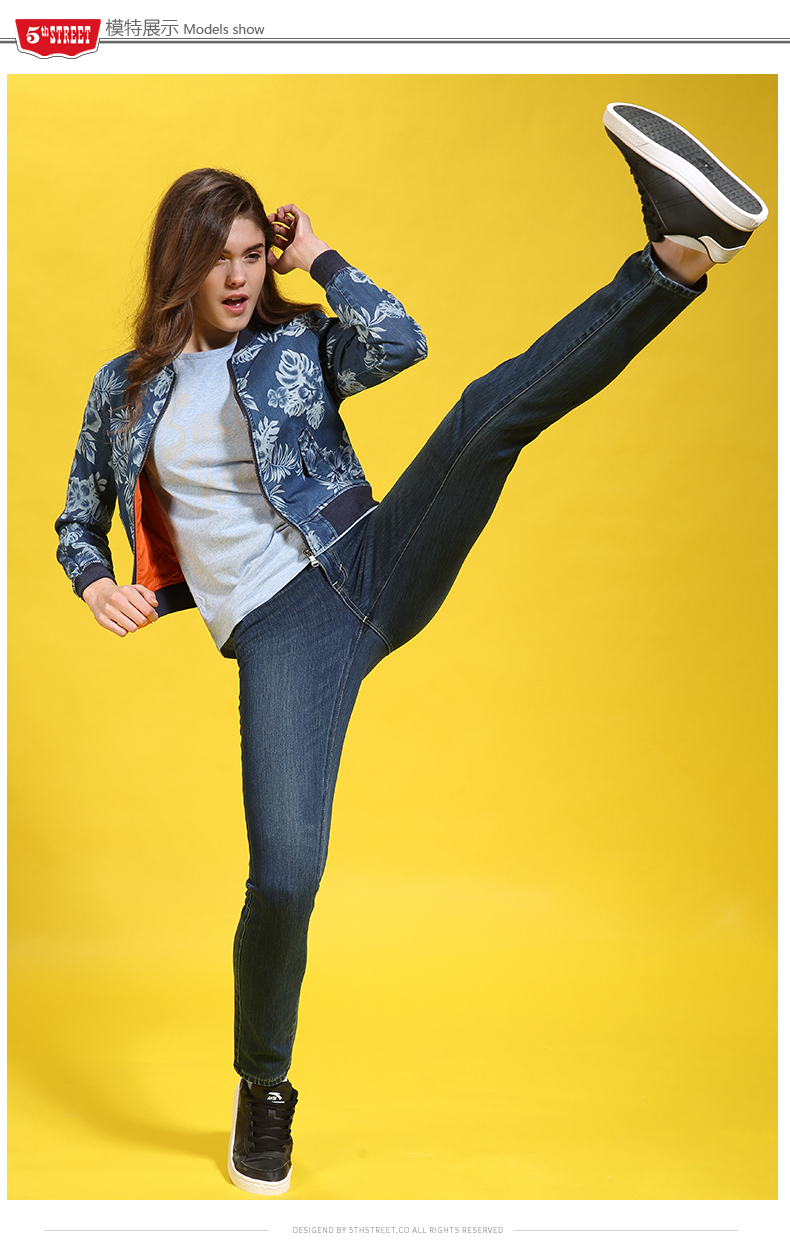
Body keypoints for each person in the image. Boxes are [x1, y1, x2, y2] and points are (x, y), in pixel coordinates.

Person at [55, 102, 768, 1196]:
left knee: (486, 415)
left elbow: (400, 340)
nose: (238, 277)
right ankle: (263, 1085)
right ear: (178, 265)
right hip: (280, 629)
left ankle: (677, 256)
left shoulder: (293, 342)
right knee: (285, 873)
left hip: (370, 555)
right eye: (218, 258)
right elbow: (78, 517)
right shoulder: (127, 389)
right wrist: (97, 578)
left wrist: (320, 257)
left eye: (250, 253)